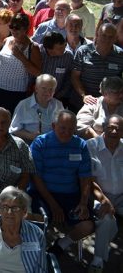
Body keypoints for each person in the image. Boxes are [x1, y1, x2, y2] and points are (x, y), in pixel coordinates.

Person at [29, 110, 95, 257]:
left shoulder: (80, 145)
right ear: (53, 126)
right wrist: (53, 204)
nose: (66, 132)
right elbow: (36, 177)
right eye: (62, 128)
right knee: (38, 222)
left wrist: (83, 202)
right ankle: (35, 254)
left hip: (70, 195)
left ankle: (61, 245)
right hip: (42, 194)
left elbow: (85, 178)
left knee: (87, 225)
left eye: (71, 129)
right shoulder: (40, 143)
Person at [0, 186, 47, 273]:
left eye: (15, 208)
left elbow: (41, 267)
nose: (9, 212)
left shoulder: (37, 234)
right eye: (5, 207)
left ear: (24, 211)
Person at [86, 114, 123, 272]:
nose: (114, 131)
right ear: (104, 128)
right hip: (98, 195)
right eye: (111, 127)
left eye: (118, 128)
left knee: (110, 223)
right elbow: (87, 179)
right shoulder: (91, 146)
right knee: (107, 219)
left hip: (121, 197)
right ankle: (97, 260)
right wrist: (104, 200)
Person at [0, 13, 41, 114]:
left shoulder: (33, 47)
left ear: (25, 28)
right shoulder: (7, 40)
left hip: (17, 93)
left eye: (17, 27)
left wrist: (21, 57)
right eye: (11, 27)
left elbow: (37, 73)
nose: (13, 30)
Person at [71, 23, 123, 110]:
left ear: (115, 38)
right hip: (84, 103)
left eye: (110, 37)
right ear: (97, 35)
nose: (107, 39)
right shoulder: (83, 51)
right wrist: (84, 95)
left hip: (110, 105)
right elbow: (74, 77)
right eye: (104, 35)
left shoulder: (120, 54)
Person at [10, 74, 63, 143]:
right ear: (36, 88)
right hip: (29, 145)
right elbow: (14, 130)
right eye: (44, 88)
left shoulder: (58, 105)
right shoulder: (24, 105)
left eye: (51, 89)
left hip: (52, 146)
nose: (47, 92)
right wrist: (30, 136)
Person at [39, 32, 74, 103]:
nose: (64, 48)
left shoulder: (68, 56)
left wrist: (59, 95)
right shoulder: (39, 53)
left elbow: (69, 78)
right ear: (49, 50)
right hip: (38, 95)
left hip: (58, 98)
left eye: (65, 45)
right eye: (60, 48)